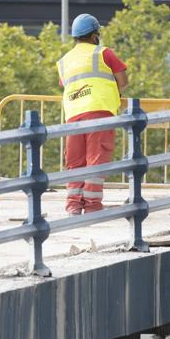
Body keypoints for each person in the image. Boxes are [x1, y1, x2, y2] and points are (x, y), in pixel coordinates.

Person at [58, 13, 129, 215]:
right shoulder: (104, 53)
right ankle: (92, 206)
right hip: (99, 111)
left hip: (72, 114)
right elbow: (123, 81)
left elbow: (65, 84)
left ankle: (73, 205)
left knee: (75, 162)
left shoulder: (64, 61)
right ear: (95, 35)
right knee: (96, 160)